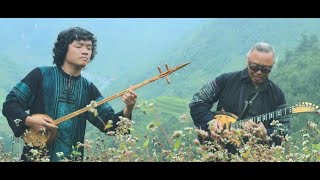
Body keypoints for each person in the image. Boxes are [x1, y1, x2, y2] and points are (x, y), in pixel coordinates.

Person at [2, 27, 138, 162]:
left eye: (89, 48)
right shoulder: (41, 75)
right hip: (36, 158)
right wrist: (29, 120)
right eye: (79, 46)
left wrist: (129, 108)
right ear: (64, 48)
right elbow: (10, 104)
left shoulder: (88, 89)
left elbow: (111, 125)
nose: (85, 51)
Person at [189, 42, 290, 153]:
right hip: (219, 152)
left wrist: (266, 133)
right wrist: (210, 122)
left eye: (265, 69)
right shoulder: (225, 80)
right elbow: (197, 102)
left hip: (255, 156)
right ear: (247, 61)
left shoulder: (277, 94)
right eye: (254, 67)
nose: (259, 72)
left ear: (272, 66)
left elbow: (284, 130)